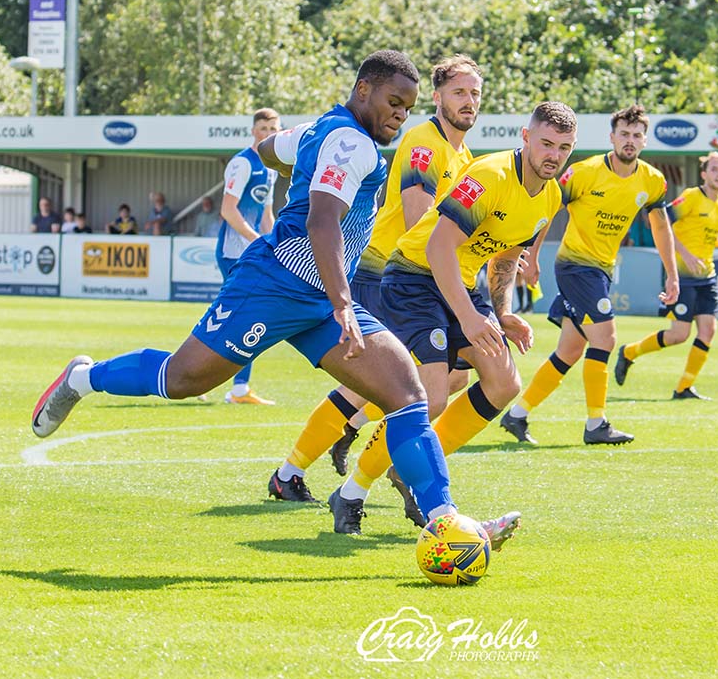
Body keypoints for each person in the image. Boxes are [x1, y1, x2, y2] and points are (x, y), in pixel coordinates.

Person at [31, 50, 519, 548]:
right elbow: (321, 222)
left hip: (323, 299)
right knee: (181, 380)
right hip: (276, 287)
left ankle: (446, 521)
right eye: (393, 101)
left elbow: (269, 151)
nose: (399, 114)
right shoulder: (351, 143)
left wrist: (298, 167)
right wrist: (344, 302)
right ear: (363, 90)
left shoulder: (320, 130)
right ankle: (82, 379)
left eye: (407, 107)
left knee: (407, 395)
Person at [325, 101, 575, 535]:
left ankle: (409, 467)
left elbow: (507, 256)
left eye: (564, 147)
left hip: (460, 284)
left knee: (503, 381)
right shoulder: (490, 175)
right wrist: (471, 318)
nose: (553, 154)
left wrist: (503, 313)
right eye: (547, 143)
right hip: (412, 277)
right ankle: (351, 492)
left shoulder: (550, 196)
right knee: (430, 398)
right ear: (526, 137)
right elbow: (439, 247)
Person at [271, 56, 483, 514]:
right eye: (459, 92)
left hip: (416, 275)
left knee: (434, 377)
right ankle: (378, 473)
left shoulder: (463, 156)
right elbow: (418, 219)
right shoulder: (424, 142)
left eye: (475, 93)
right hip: (390, 273)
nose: (469, 101)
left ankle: (302, 466)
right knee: (406, 384)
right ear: (438, 97)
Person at [499, 104, 679, 447]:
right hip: (575, 266)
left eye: (636, 135)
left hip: (602, 270)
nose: (630, 141)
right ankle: (597, 423)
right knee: (606, 339)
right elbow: (548, 208)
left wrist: (672, 275)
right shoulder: (584, 172)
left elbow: (660, 226)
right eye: (623, 134)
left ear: (644, 140)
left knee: (570, 350)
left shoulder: (652, 181)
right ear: (611, 137)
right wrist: (532, 256)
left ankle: (517, 415)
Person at [615, 151, 718, 401]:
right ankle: (629, 352)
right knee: (679, 335)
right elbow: (662, 223)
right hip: (683, 275)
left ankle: (684, 388)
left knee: (708, 331)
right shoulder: (692, 196)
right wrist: (686, 255)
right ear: (704, 174)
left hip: (707, 275)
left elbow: (701, 235)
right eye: (714, 169)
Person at [215, 108, 283, 406]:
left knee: (231, 316)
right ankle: (236, 388)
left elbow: (266, 213)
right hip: (233, 252)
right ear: (255, 130)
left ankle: (207, 377)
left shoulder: (270, 168)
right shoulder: (242, 163)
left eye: (274, 128)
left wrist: (274, 243)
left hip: (253, 251)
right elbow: (228, 210)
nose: (269, 132)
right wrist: (257, 242)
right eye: (264, 128)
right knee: (243, 314)